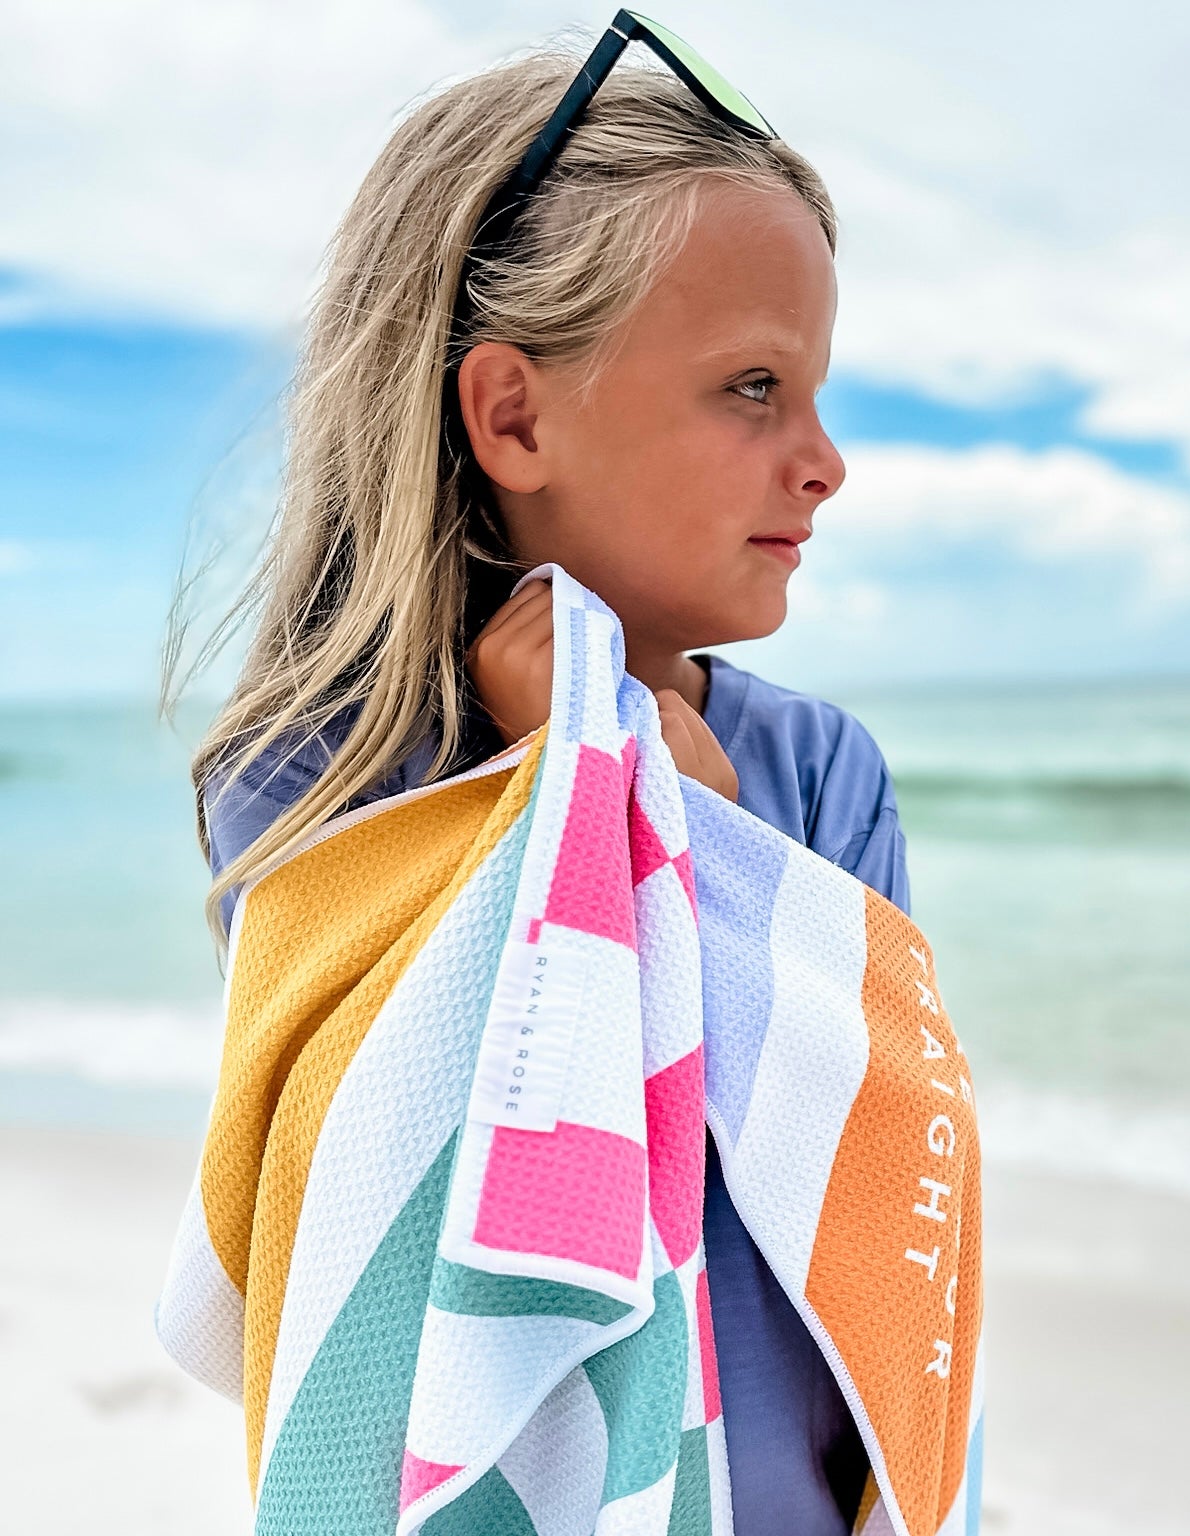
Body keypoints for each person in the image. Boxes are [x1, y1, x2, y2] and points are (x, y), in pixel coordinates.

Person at [174, 30, 911, 1536]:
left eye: (817, 393)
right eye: (753, 386)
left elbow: (877, 1186)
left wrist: (693, 814)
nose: (824, 458)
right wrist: (566, 785)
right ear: (513, 416)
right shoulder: (319, 779)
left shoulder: (822, 772)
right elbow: (412, 1186)